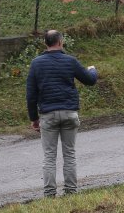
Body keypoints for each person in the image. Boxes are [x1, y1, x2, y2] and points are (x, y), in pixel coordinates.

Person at [26, 30, 98, 198]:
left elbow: (31, 95)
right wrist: (93, 70)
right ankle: (71, 192)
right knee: (69, 154)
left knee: (49, 156)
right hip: (69, 114)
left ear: (46, 43)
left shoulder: (36, 64)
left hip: (48, 116)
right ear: (60, 42)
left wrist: (34, 119)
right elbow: (90, 80)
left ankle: (50, 194)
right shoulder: (70, 61)